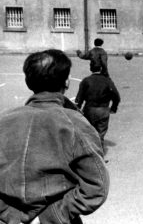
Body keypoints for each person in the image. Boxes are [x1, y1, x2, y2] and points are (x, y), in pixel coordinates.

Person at [0, 49, 109, 224]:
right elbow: (97, 186)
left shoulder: (3, 120)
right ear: (66, 82)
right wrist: (52, 216)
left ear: (28, 82)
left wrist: (9, 214)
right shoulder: (75, 123)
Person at [75, 64, 121, 153]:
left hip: (89, 109)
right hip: (103, 110)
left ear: (90, 69)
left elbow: (79, 97)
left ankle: (87, 154)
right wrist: (113, 108)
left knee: (88, 132)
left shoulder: (86, 81)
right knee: (100, 134)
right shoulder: (107, 81)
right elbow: (116, 96)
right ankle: (99, 155)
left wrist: (78, 107)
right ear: (101, 69)